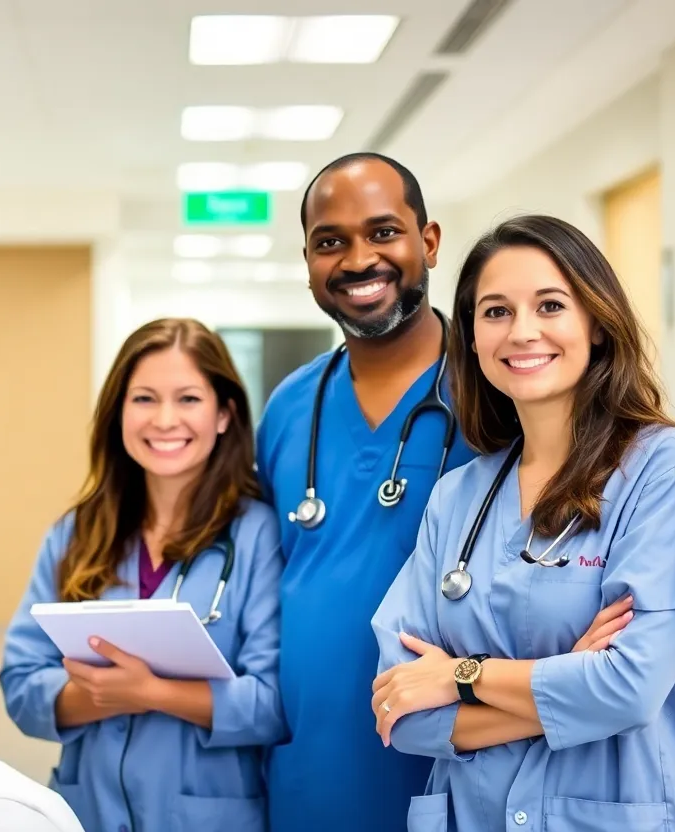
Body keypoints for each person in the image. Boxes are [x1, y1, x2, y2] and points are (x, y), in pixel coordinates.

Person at [370, 214, 675, 831]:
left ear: (595, 322)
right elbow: (401, 710)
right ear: (471, 337)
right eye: (495, 311)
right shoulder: (456, 496)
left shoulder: (669, 469)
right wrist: (570, 683)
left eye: (550, 305)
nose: (522, 331)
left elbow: (628, 689)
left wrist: (460, 675)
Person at [255, 152, 479, 830]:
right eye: (330, 242)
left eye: (383, 232)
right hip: (307, 779)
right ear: (307, 261)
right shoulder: (289, 407)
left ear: (428, 242)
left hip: (453, 773)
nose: (358, 260)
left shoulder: (493, 398)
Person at [0, 318, 286, 832]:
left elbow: (272, 704)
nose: (165, 419)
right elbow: (21, 684)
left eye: (188, 399)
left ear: (224, 414)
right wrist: (96, 694)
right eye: (144, 399)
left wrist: (151, 692)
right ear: (119, 413)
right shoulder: (75, 534)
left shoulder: (257, 535)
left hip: (208, 816)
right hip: (87, 810)